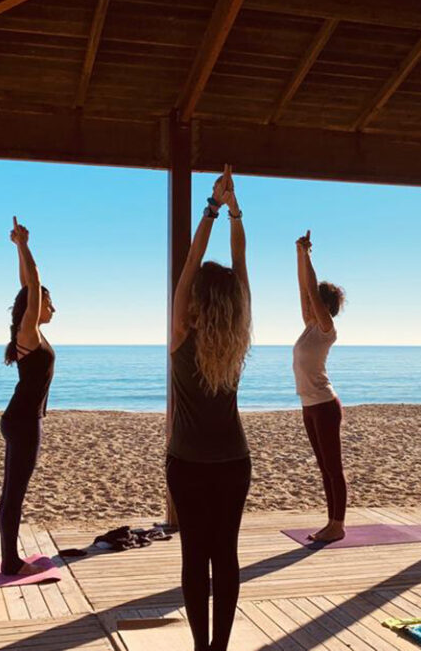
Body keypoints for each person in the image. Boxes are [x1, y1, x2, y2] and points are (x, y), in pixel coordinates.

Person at [167, 164, 252, 651]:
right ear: (233, 304)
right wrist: (235, 211)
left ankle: (203, 649)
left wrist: (212, 209)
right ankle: (220, 648)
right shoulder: (237, 339)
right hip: (232, 463)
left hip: (187, 463)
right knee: (227, 556)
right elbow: (240, 266)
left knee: (194, 557)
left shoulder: (182, 334)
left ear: (198, 297)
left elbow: (190, 263)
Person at [0, 217, 56, 575]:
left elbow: (26, 285)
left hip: (18, 418)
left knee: (11, 491)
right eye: (48, 302)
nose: (52, 308)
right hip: (23, 422)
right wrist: (22, 245)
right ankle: (10, 563)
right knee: (14, 493)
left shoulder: (29, 334)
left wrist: (20, 249)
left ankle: (10, 557)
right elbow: (32, 283)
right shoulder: (29, 332)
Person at [293, 230, 347, 543]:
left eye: (316, 302)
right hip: (309, 406)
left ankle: (338, 524)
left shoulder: (326, 329)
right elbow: (304, 290)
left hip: (325, 406)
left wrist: (309, 256)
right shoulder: (311, 326)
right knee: (324, 468)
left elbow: (310, 292)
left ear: (324, 306)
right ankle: (332, 522)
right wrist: (299, 254)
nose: (309, 304)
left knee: (333, 467)